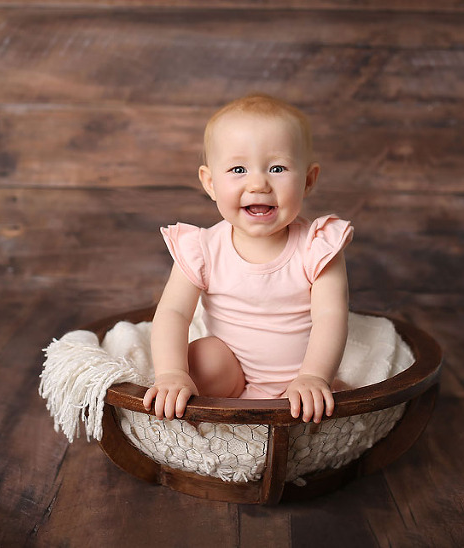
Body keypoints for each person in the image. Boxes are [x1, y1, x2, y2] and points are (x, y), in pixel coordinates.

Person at [143, 93, 353, 424]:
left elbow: (331, 317)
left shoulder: (317, 246)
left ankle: (310, 395)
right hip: (231, 375)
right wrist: (171, 373)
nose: (258, 184)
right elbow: (173, 313)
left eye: (277, 168)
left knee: (337, 402)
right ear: (210, 183)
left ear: (308, 180)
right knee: (201, 357)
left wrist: (315, 376)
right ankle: (206, 405)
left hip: (299, 380)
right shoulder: (202, 248)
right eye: (238, 169)